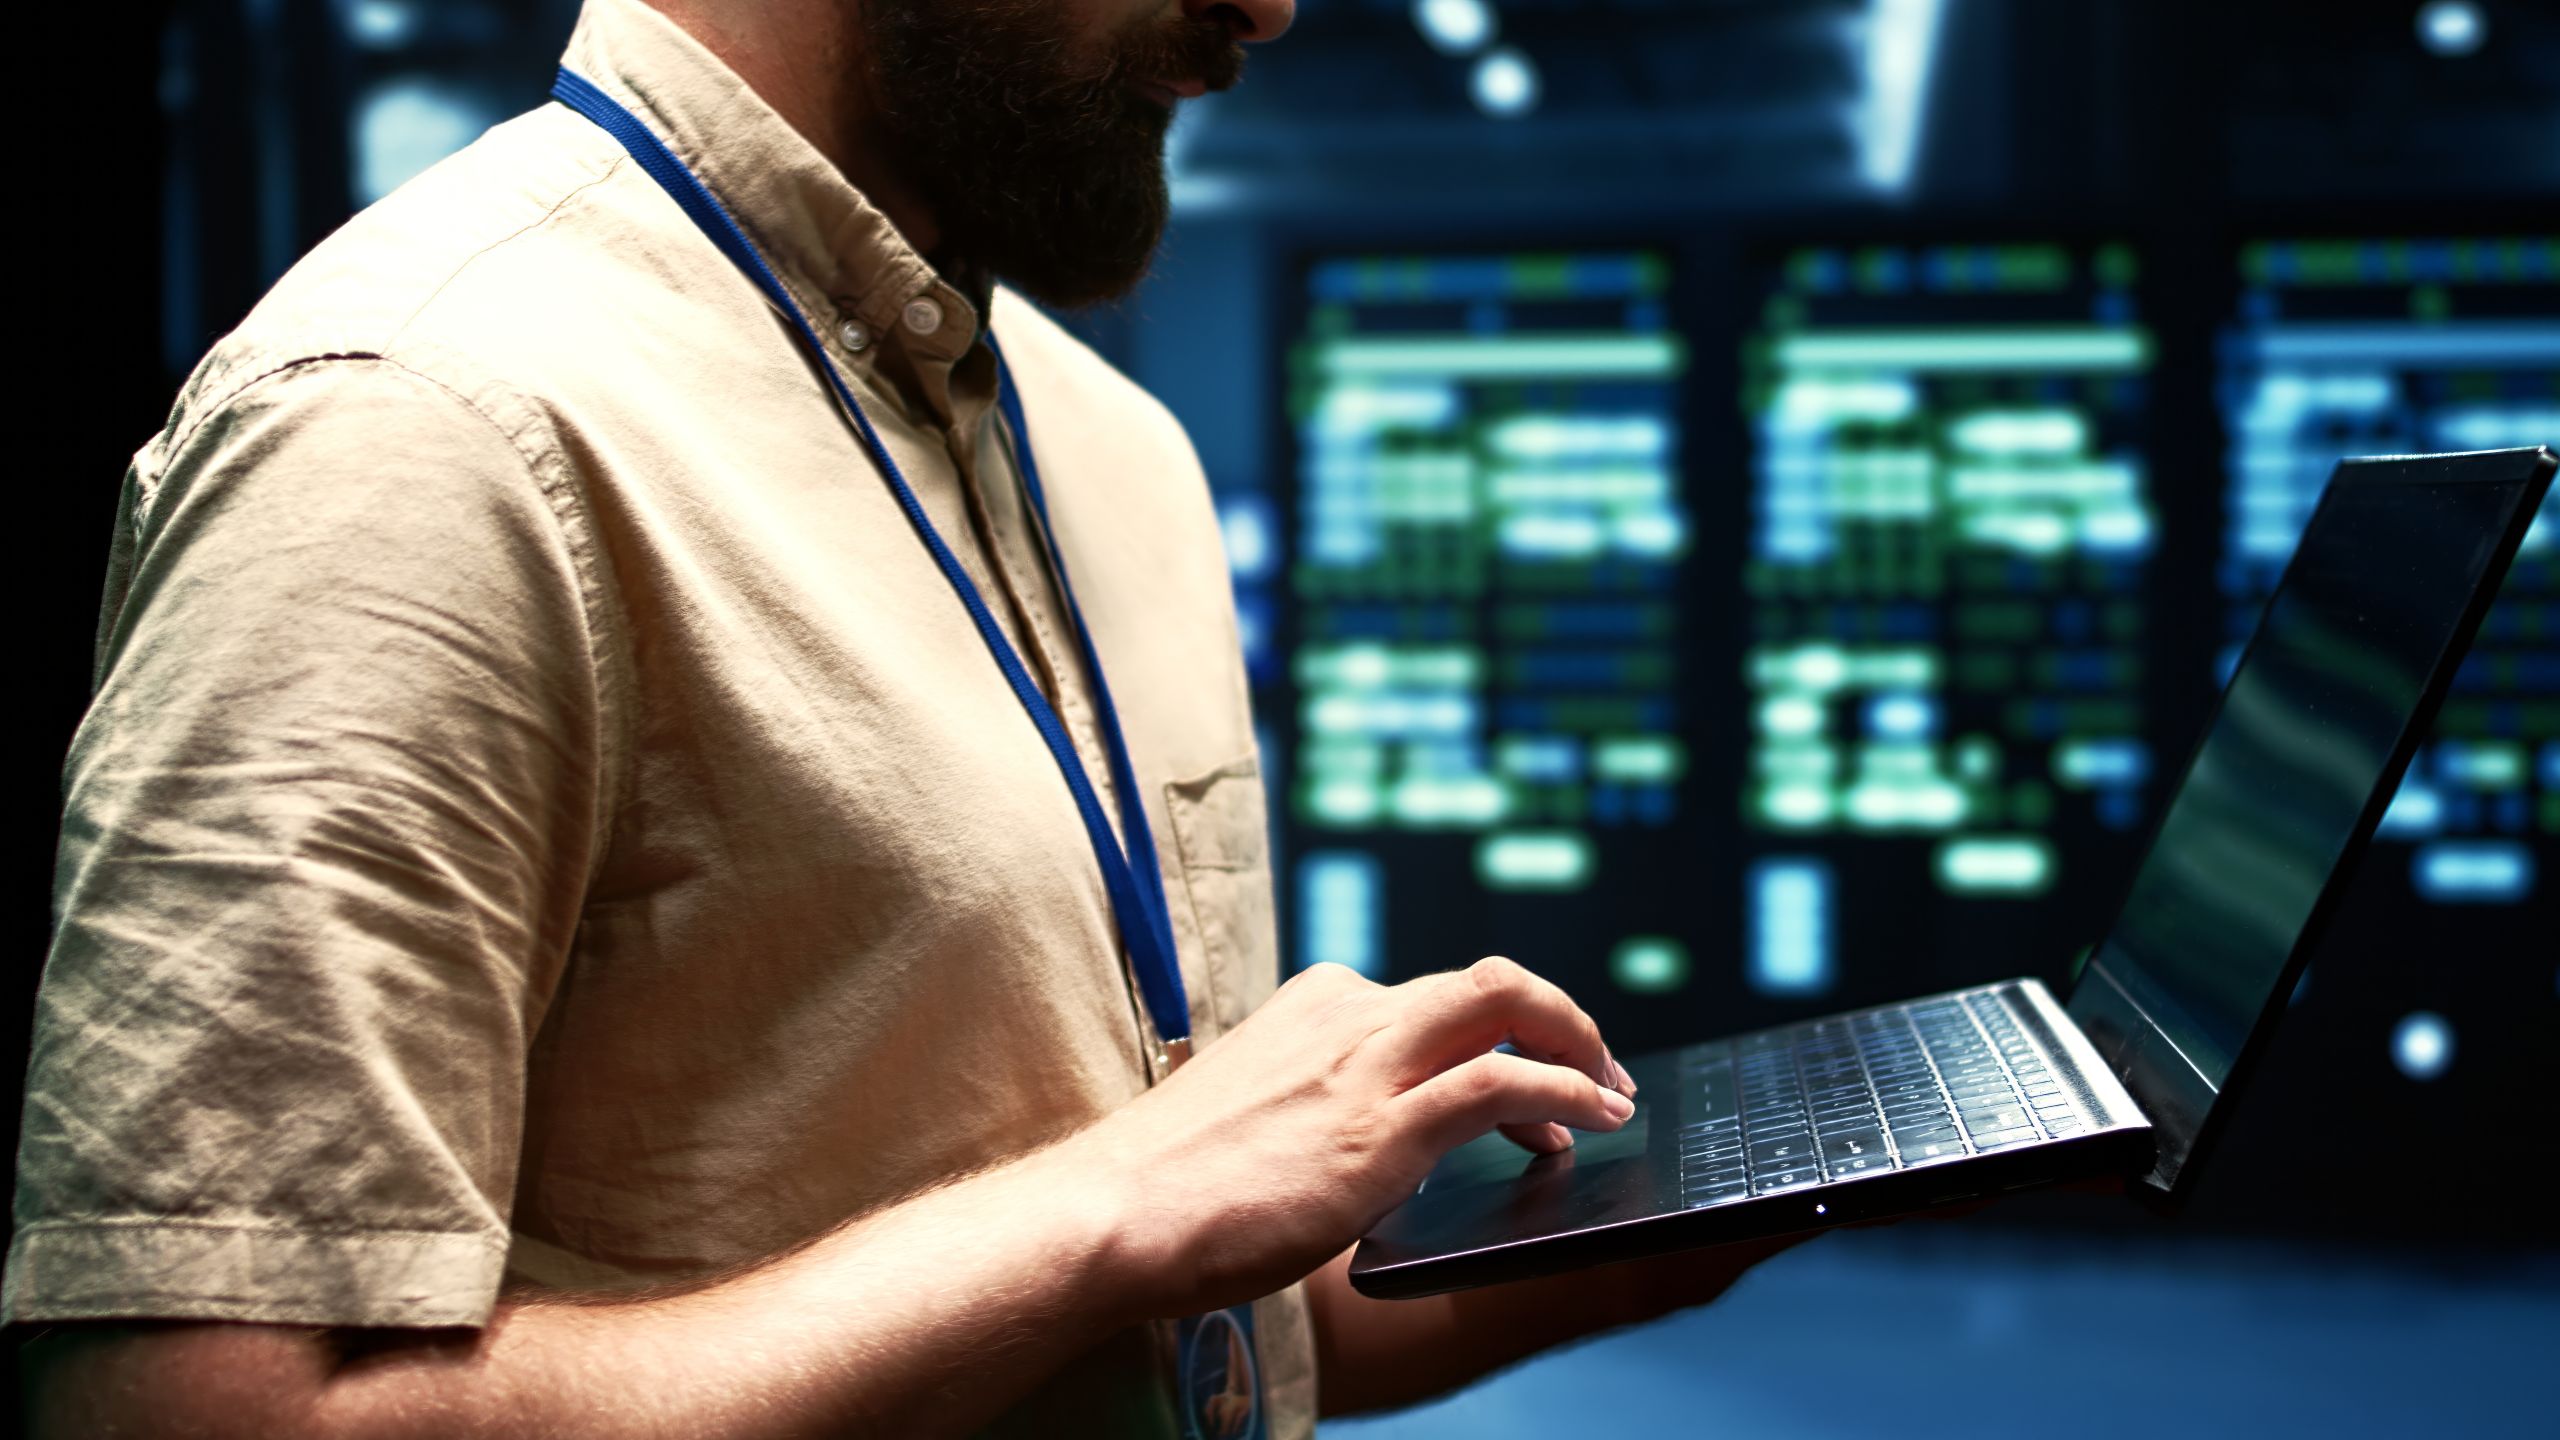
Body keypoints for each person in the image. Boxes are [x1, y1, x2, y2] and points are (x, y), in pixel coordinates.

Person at [9, 1, 1799, 1434]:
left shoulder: (1110, 449)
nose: (1271, 8)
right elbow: (193, 1405)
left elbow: (1188, 1328)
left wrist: (1687, 1221)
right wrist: (1096, 1214)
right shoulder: (422, 427)